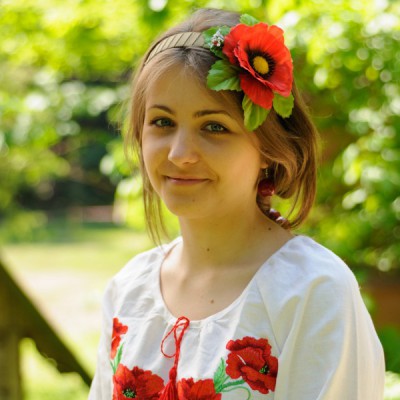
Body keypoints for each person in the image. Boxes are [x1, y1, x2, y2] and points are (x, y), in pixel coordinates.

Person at [89, 8, 385, 400]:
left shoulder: (311, 292)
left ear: (268, 148)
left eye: (214, 127)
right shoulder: (129, 289)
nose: (179, 154)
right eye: (162, 122)